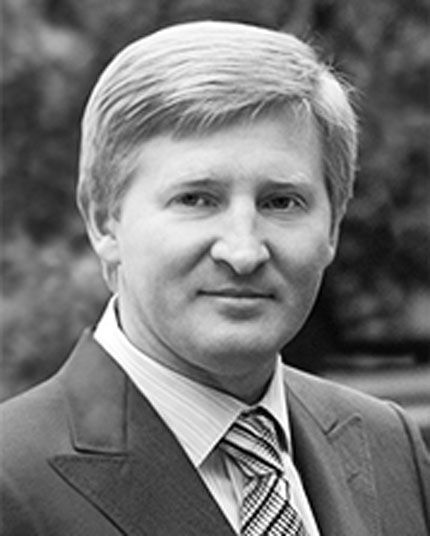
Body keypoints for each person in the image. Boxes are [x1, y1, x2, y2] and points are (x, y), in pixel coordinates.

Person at [1, 21, 429, 536]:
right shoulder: (11, 479)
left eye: (281, 202)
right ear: (103, 222)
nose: (244, 252)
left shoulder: (391, 447)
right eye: (197, 199)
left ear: (333, 227)